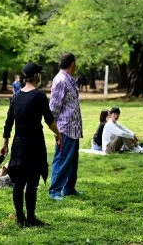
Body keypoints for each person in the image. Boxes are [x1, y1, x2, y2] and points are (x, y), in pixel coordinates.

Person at [1, 62, 62, 227]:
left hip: (19, 144)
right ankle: (31, 218)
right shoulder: (39, 96)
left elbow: (8, 123)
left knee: (19, 182)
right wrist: (58, 134)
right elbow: (49, 121)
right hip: (35, 143)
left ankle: (20, 218)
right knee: (32, 182)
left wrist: (5, 144)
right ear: (36, 76)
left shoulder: (15, 97)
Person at [48, 52, 83, 200]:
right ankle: (55, 190)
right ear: (72, 64)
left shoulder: (69, 79)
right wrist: (56, 131)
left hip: (74, 128)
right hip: (65, 128)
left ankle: (69, 188)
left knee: (72, 160)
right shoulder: (61, 80)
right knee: (62, 159)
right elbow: (53, 107)